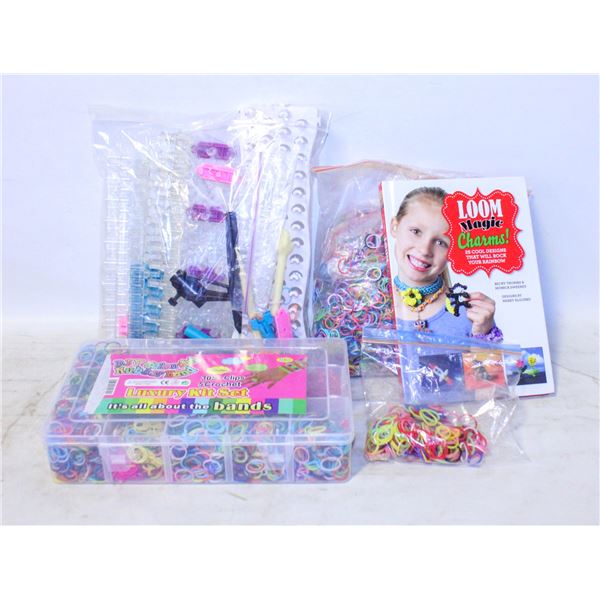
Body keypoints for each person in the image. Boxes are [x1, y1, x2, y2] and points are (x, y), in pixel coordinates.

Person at [389, 186, 502, 341]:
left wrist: (483, 333)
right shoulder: (370, 306)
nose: (424, 250)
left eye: (440, 242)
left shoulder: (472, 316)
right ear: (394, 226)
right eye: (416, 231)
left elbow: (487, 358)